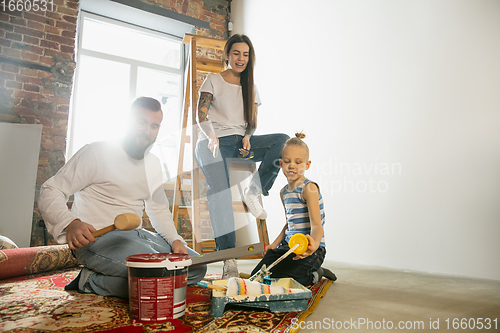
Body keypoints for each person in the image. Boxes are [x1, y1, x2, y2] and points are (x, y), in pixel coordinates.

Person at [38, 97, 207, 298]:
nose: (147, 131)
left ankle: (135, 281)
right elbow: (50, 190)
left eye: (154, 126)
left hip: (138, 237)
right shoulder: (96, 152)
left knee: (196, 267)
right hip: (97, 240)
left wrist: (175, 240)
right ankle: (90, 281)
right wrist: (70, 223)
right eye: (141, 122)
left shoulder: (153, 164)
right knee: (156, 274)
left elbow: (158, 210)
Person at [195, 34, 289, 279]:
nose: (241, 58)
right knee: (221, 190)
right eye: (236, 53)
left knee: (282, 141)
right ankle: (229, 260)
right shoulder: (213, 80)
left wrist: (248, 136)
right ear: (227, 55)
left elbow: (252, 121)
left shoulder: (251, 87)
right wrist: (211, 136)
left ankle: (254, 191)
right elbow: (201, 114)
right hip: (212, 143)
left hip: (239, 143)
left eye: (245, 54)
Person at [249, 133, 337, 286]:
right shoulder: (284, 192)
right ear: (281, 163)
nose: (292, 166)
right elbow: (289, 224)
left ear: (307, 165)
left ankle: (316, 273)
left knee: (293, 281)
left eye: (298, 162)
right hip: (288, 246)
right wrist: (274, 245)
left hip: (310, 248)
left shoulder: (309, 189)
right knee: (258, 275)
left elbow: (317, 225)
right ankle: (299, 268)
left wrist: (314, 245)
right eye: (287, 161)